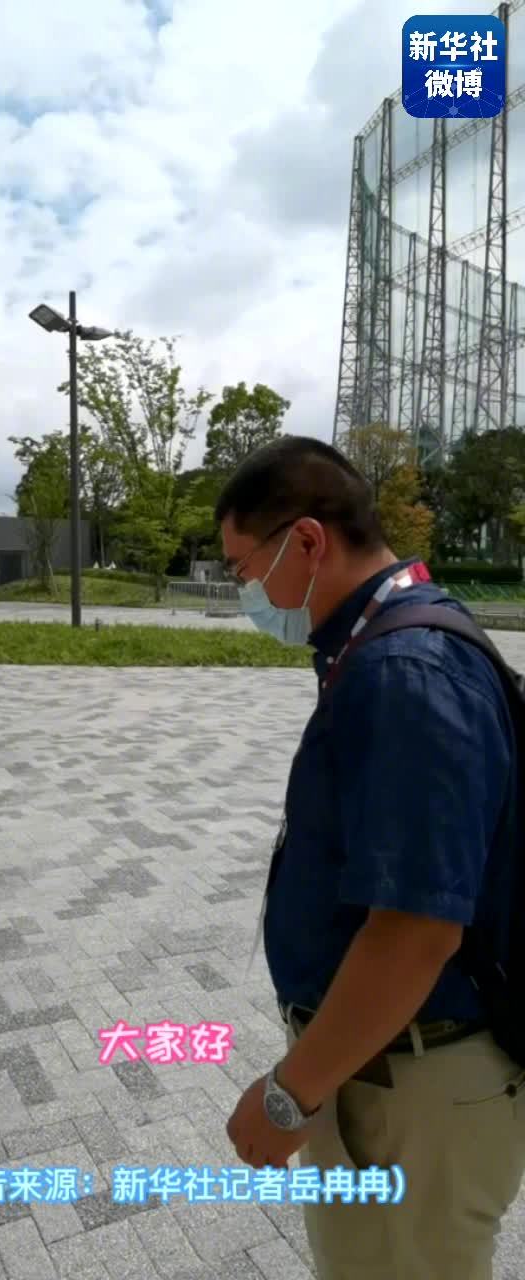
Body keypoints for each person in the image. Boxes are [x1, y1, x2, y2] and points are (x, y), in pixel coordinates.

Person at [219, 436, 525, 1279]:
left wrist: (288, 1096)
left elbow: (415, 932)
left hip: (414, 1086)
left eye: (245, 569)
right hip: (390, 1065)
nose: (247, 593)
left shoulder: (406, 674)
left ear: (307, 541)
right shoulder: (388, 643)